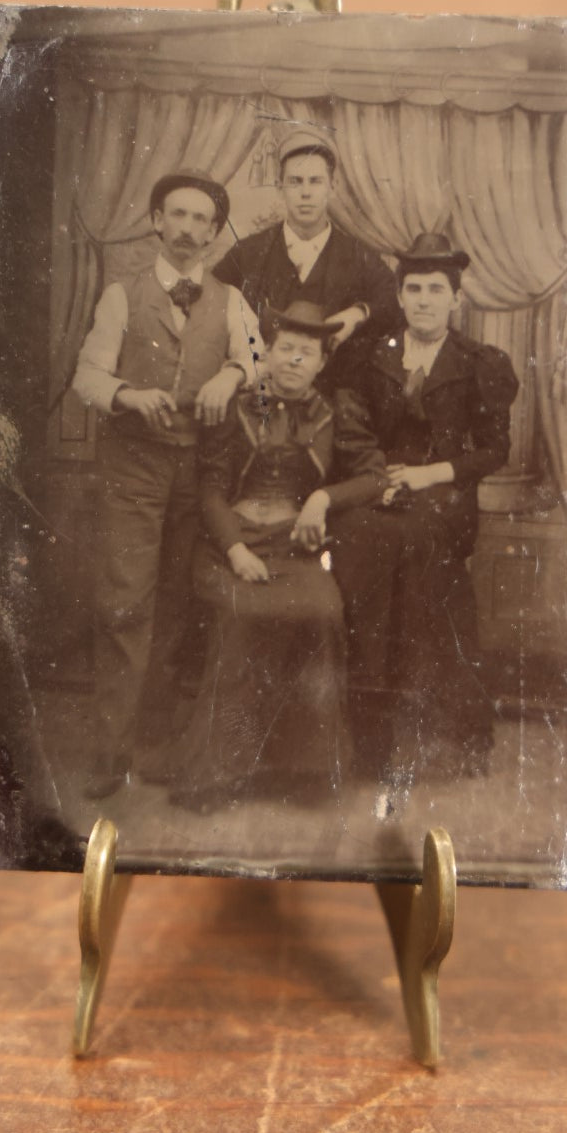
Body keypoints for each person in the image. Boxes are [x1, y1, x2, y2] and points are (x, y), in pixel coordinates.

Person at [72, 169, 263, 797]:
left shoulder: (231, 301)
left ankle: (152, 747)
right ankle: (108, 754)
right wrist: (128, 394)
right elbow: (88, 378)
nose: (187, 230)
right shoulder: (121, 297)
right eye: (176, 216)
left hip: (193, 474)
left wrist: (232, 374)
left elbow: (259, 361)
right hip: (133, 471)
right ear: (157, 222)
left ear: (213, 233)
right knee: (126, 603)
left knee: (178, 609)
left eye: (200, 220)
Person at [179, 301, 387, 810]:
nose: (295, 360)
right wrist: (235, 550)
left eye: (307, 353)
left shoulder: (335, 414)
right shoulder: (238, 408)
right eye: (286, 349)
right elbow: (209, 491)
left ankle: (305, 771)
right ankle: (217, 774)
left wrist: (323, 499)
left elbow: (374, 476)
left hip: (294, 549)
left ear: (321, 363)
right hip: (230, 545)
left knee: (322, 612)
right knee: (244, 613)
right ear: (266, 354)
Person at [331, 232, 520, 792]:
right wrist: (380, 480)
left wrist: (427, 476)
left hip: (443, 501)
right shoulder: (373, 355)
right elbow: (354, 432)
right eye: (413, 288)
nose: (423, 300)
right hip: (379, 491)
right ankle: (370, 741)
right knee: (358, 549)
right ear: (400, 294)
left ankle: (454, 735)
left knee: (420, 573)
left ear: (455, 299)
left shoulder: (479, 363)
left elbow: (493, 451)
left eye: (436, 289)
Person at [211, 128, 398, 388]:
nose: (305, 192)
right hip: (260, 399)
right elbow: (210, 299)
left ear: (332, 188)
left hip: (335, 402)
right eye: (295, 181)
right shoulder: (249, 252)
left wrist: (358, 313)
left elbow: (394, 299)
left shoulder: (359, 256)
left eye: (315, 181)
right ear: (280, 188)